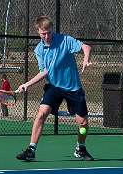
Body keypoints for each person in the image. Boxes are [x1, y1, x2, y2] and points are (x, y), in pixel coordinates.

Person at [16, 16, 93, 161]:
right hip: (54, 86)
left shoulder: (65, 40)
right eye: (43, 33)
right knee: (41, 113)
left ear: (52, 30)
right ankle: (31, 150)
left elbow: (86, 47)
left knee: (83, 123)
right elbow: (44, 71)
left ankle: (80, 148)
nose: (46, 36)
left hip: (73, 87)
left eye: (49, 32)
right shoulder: (39, 50)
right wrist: (26, 84)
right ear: (38, 32)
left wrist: (86, 58)